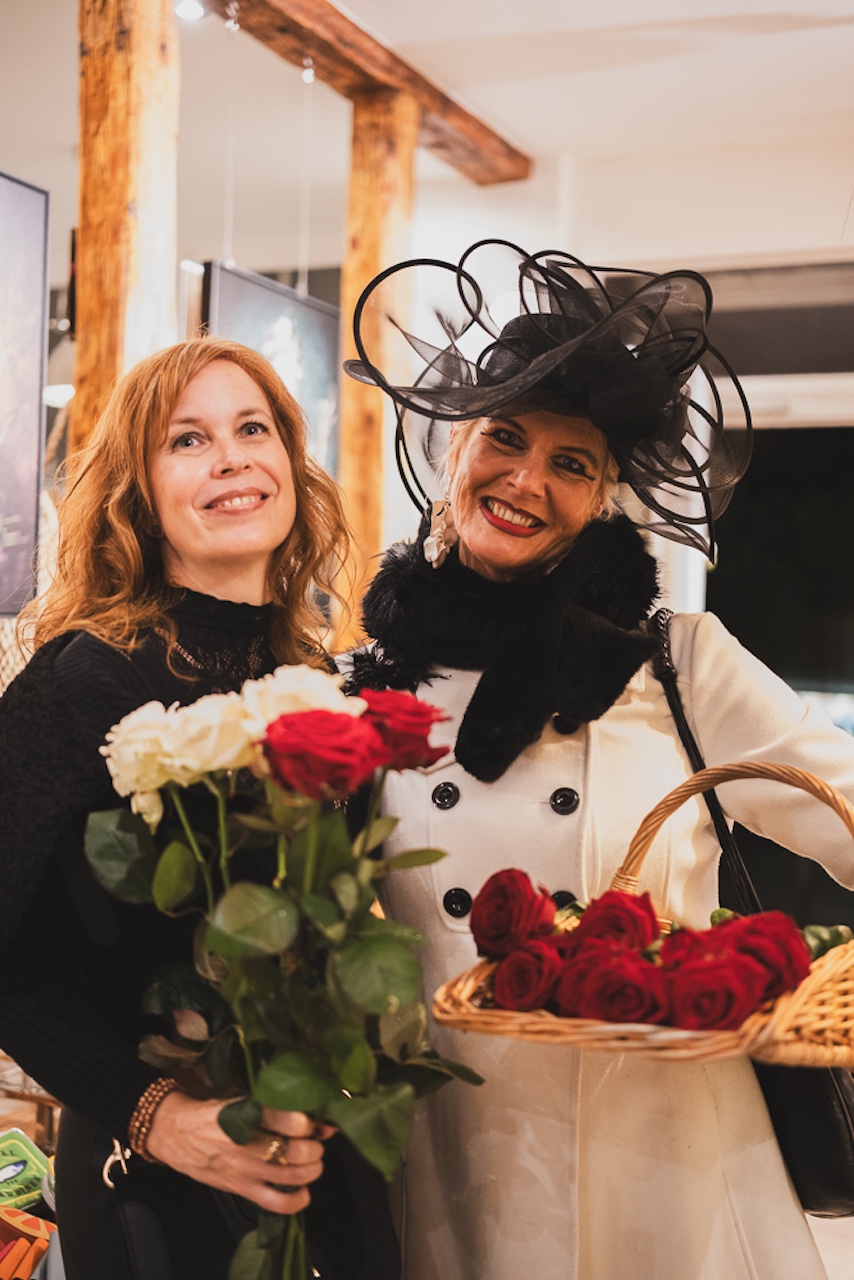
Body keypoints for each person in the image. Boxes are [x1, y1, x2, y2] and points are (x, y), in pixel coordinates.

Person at [341, 241, 854, 1280]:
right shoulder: (353, 685)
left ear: (605, 493)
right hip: (452, 1160)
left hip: (663, 1156)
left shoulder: (678, 663)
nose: (525, 480)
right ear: (453, 448)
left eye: (571, 463)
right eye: (504, 436)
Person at [0, 337, 399, 1280]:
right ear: (141, 495)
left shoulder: (318, 681)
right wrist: (159, 1119)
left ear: (288, 464)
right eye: (188, 439)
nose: (230, 457)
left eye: (251, 428)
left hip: (317, 1153)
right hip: (153, 1170)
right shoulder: (80, 680)